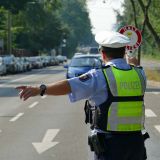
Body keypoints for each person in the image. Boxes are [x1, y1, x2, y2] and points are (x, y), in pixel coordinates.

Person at [16, 31, 148, 160]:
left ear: (102, 53)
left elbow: (69, 85)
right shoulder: (140, 74)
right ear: (124, 52)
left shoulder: (100, 76)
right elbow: (132, 67)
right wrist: (132, 62)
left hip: (111, 145)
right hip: (136, 143)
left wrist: (41, 89)